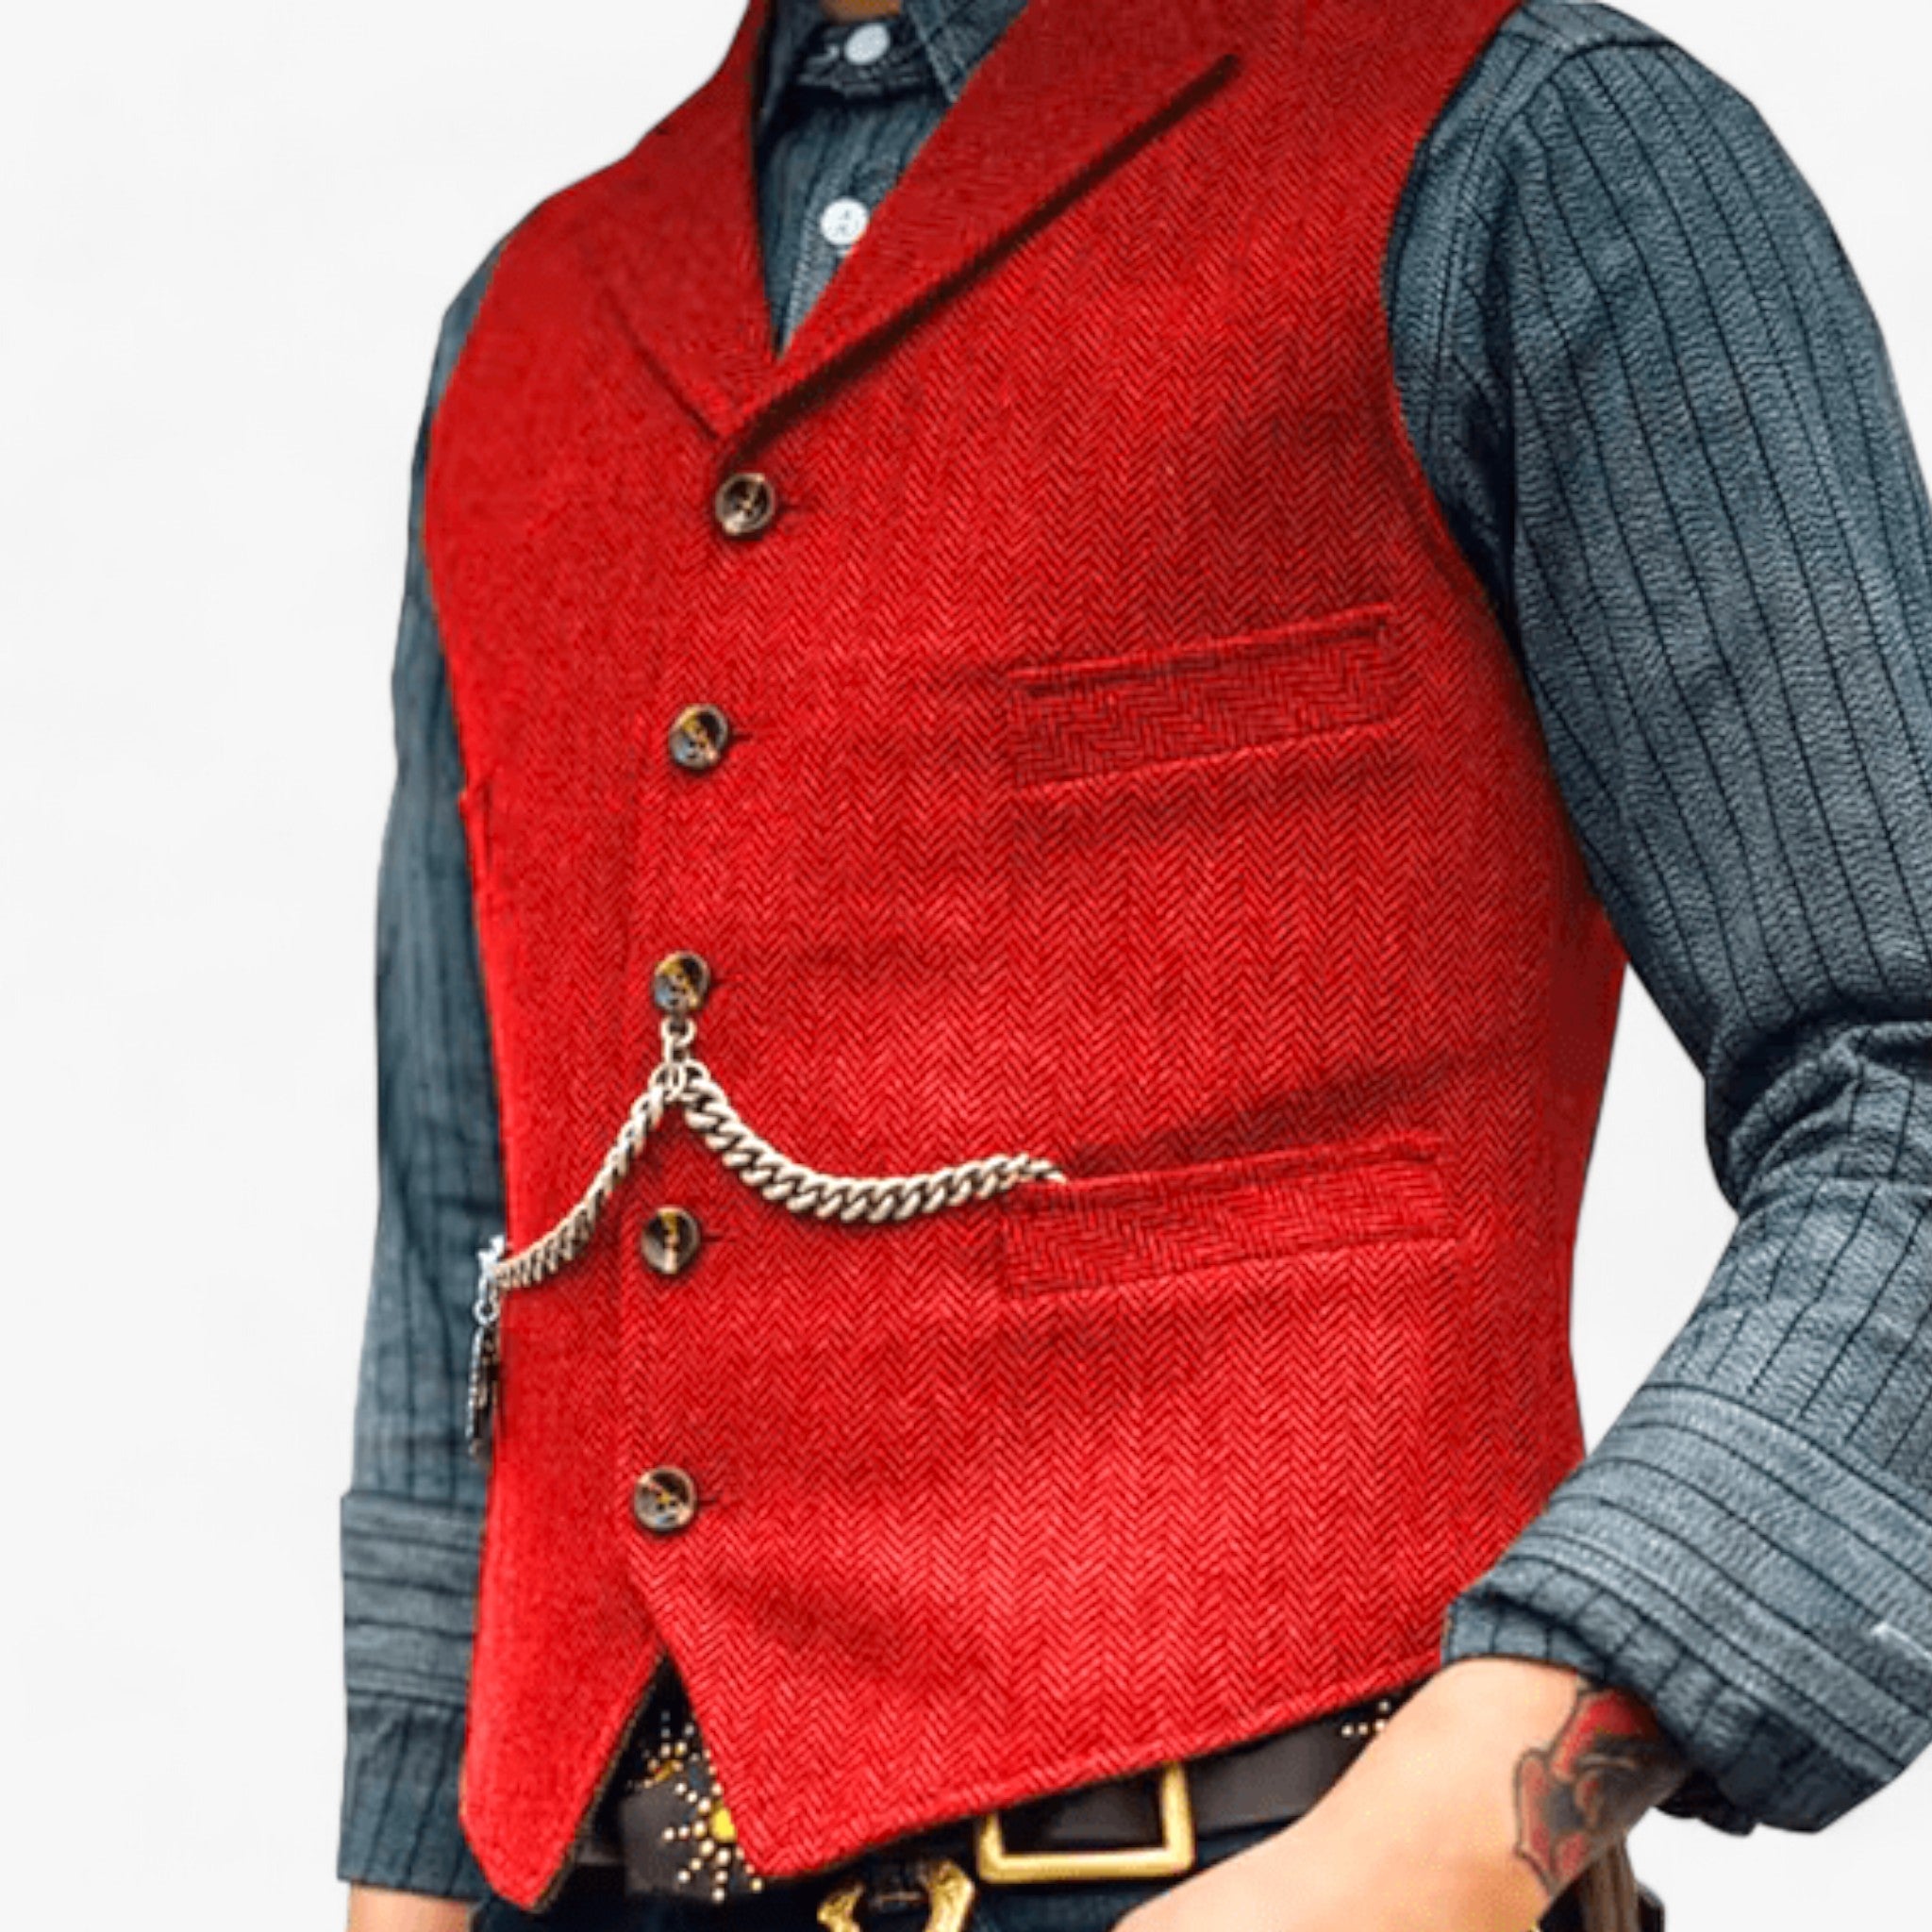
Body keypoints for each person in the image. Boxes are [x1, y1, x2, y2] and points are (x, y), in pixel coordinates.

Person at [339, 0, 1932, 1928]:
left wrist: (1452, 1842)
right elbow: (475, 1252)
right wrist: (403, 1874)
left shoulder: (1525, 152)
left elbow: (1903, 1097)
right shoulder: (522, 330)